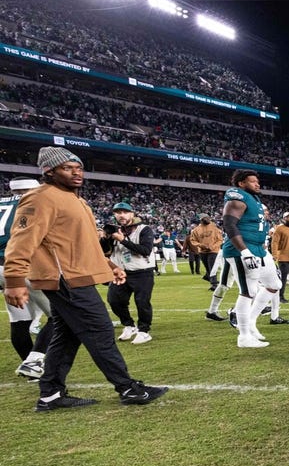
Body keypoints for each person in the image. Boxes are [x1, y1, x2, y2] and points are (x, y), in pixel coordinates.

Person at [2, 147, 166, 410]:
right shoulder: (40, 198)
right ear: (49, 171)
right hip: (63, 277)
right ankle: (127, 388)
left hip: (76, 275)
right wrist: (14, 279)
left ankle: (50, 394)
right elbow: (21, 241)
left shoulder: (76, 200)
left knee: (66, 335)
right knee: (100, 330)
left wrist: (109, 265)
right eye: (68, 168)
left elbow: (84, 243)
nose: (76, 172)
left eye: (78, 167)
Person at [219, 169, 282, 348]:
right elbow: (229, 225)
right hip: (242, 249)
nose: (257, 184)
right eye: (252, 181)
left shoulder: (253, 198)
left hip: (258, 248)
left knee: (274, 285)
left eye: (257, 181)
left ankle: (251, 322)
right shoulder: (236, 197)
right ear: (241, 183)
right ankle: (244, 336)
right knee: (248, 292)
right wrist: (245, 252)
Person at [1, 177, 54, 381]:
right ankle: (35, 360)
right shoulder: (33, 204)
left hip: (2, 269)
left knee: (19, 320)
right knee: (59, 316)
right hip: (24, 265)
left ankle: (31, 369)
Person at [101, 201, 157, 344]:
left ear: (132, 214)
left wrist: (123, 240)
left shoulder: (144, 229)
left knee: (142, 302)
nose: (121, 215)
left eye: (125, 212)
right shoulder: (115, 231)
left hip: (142, 272)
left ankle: (144, 331)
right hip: (122, 272)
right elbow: (105, 252)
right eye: (118, 213)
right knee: (114, 300)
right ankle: (129, 325)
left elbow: (145, 250)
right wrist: (105, 239)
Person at [189, 213, 223, 284]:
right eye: (205, 218)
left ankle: (214, 284)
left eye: (208, 218)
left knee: (212, 266)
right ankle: (207, 276)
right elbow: (193, 240)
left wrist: (213, 247)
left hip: (213, 250)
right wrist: (201, 245)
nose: (208, 219)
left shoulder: (214, 228)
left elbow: (220, 240)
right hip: (202, 251)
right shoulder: (196, 230)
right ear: (201, 220)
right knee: (208, 267)